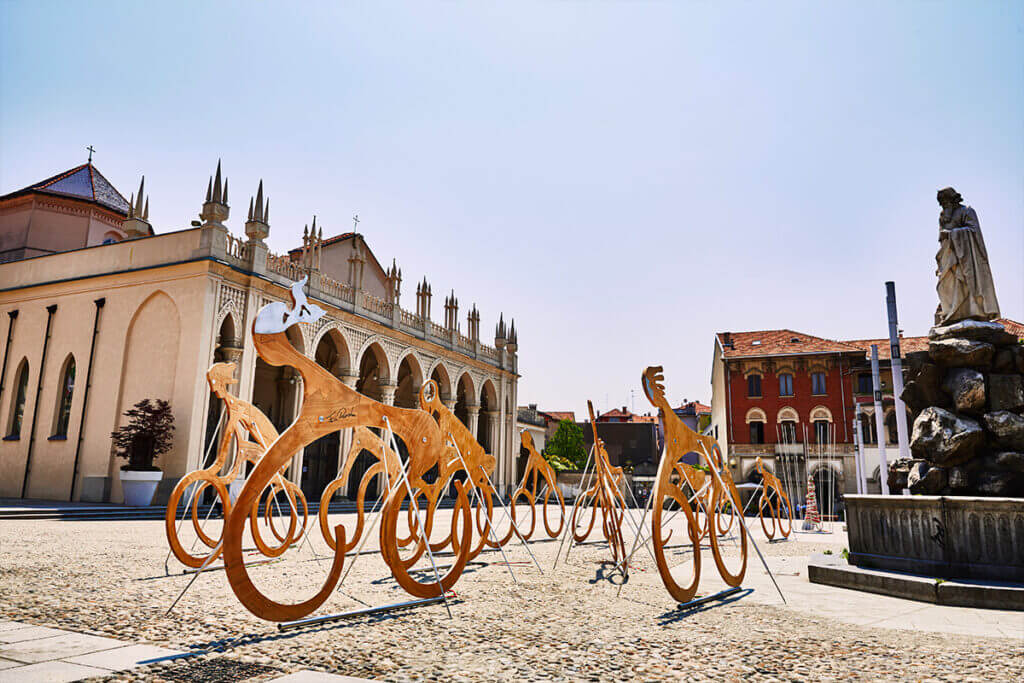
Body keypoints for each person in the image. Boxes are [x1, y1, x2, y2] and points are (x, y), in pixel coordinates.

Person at [934, 187, 1000, 326]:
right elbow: (942, 238)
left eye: (945, 201)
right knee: (945, 283)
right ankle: (952, 313)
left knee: (968, 283)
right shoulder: (943, 216)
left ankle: (973, 312)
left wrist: (952, 234)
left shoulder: (967, 211)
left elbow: (974, 231)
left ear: (952, 199)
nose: (943, 205)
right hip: (949, 256)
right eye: (941, 202)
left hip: (968, 258)